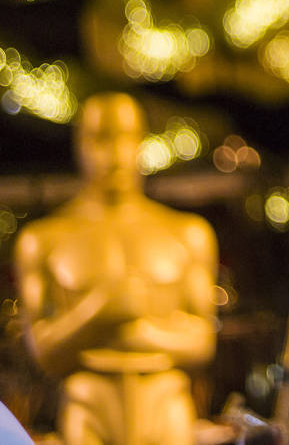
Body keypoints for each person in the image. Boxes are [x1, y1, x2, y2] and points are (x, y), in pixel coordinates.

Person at [13, 92, 218, 445]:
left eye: (126, 137)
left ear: (140, 141)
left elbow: (202, 341)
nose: (115, 154)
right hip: (89, 403)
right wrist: (100, 309)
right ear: (80, 145)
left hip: (164, 402)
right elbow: (44, 351)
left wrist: (140, 332)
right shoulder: (43, 240)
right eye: (101, 138)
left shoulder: (188, 234)